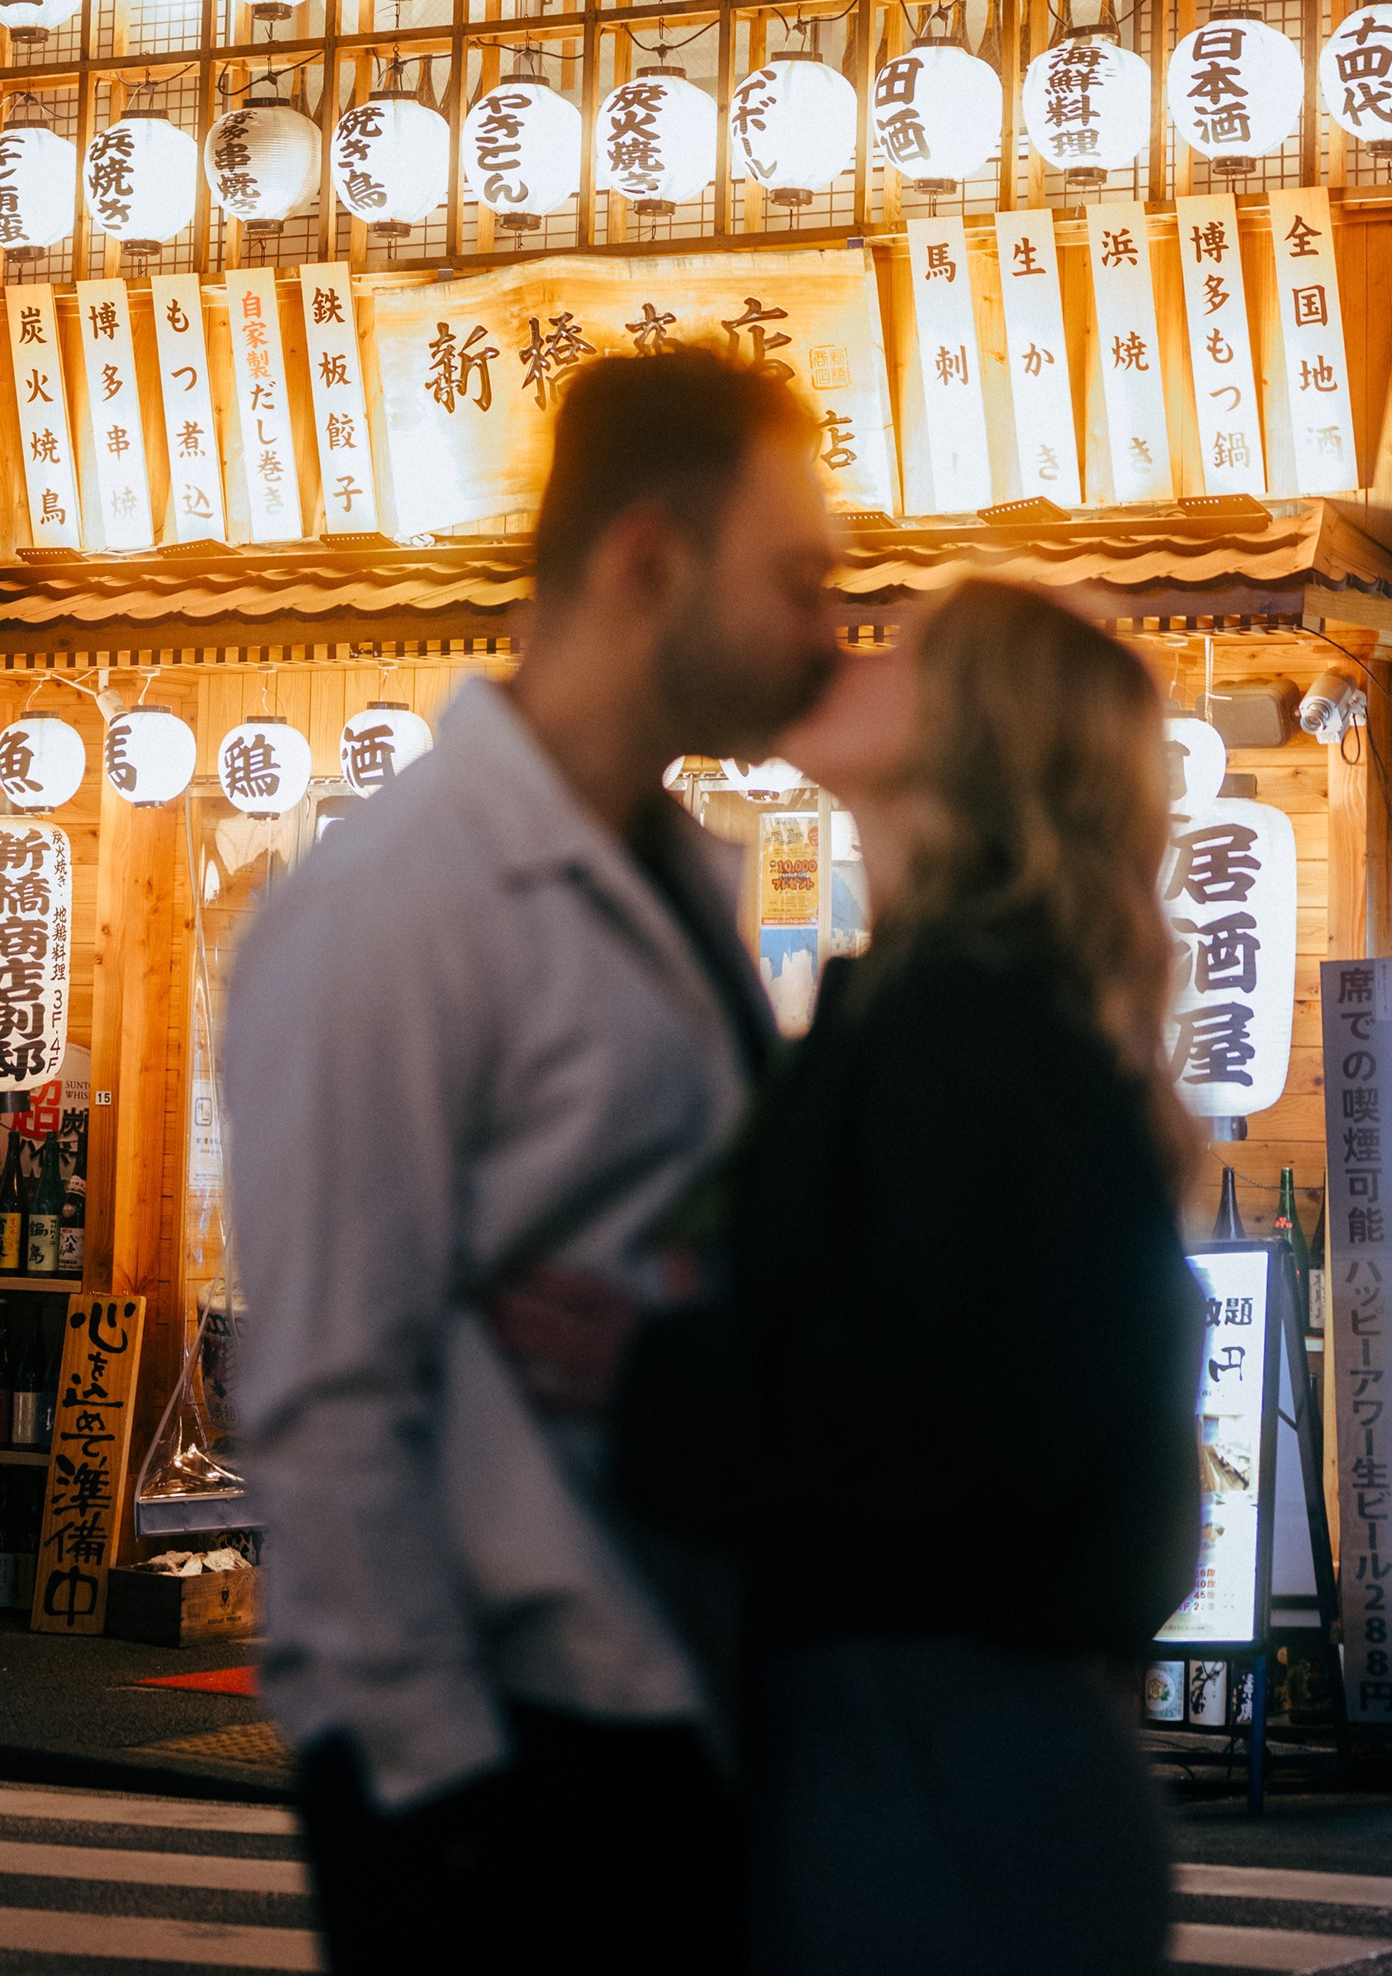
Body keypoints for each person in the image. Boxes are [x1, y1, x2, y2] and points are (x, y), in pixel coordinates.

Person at [224, 345, 838, 1975]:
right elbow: (325, 1392)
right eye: (797, 580)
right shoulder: (398, 902)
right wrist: (436, 1789)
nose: (826, 633)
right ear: (649, 563)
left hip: (681, 1711)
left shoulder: (682, 881)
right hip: (515, 1751)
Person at [492, 576, 1205, 1976]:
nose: (854, 650)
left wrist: (644, 1372)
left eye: (912, 651)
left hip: (934, 1768)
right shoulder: (983, 1007)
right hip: (977, 1756)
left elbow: (924, 1426)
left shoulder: (961, 1026)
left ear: (968, 735)